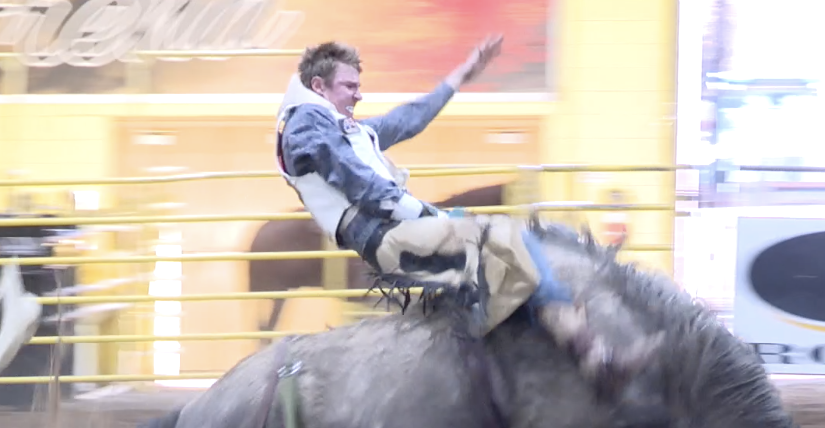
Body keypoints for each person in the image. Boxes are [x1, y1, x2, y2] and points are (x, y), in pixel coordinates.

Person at [273, 37, 656, 393]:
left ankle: (565, 349)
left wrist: (461, 75)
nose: (359, 94)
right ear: (319, 87)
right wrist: (426, 214)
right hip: (387, 236)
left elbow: (408, 119)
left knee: (514, 250)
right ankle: (580, 352)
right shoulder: (307, 124)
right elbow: (359, 184)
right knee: (507, 238)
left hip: (397, 228)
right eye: (350, 86)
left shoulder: (344, 131)